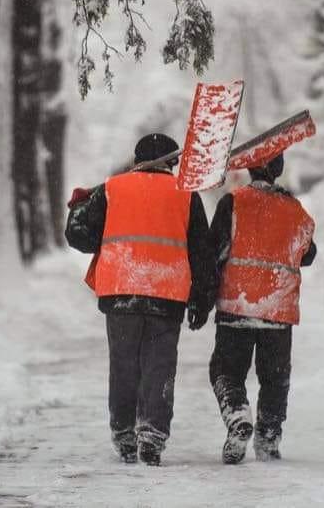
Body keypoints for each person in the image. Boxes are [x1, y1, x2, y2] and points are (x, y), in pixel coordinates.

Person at [65, 133, 215, 466]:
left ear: (137, 160)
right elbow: (202, 253)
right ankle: (152, 435)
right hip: (167, 295)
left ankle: (123, 435)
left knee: (124, 366)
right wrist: (202, 302)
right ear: (171, 162)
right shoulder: (187, 196)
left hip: (121, 292)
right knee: (159, 367)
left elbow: (77, 234)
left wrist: (81, 206)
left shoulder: (112, 188)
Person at [207, 153, 316, 464]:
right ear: (278, 170)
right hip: (278, 308)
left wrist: (202, 297)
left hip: (236, 304)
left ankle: (238, 414)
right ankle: (268, 438)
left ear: (250, 169)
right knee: (274, 377)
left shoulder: (233, 202)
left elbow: (215, 249)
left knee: (226, 371)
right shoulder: (294, 209)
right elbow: (307, 253)